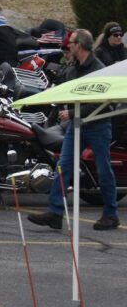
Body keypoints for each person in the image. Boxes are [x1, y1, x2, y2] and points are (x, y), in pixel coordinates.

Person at [29, 29, 120, 232]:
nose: (67, 46)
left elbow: (104, 104)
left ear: (79, 45)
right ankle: (55, 212)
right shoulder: (73, 67)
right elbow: (66, 90)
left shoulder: (98, 70)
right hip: (76, 126)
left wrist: (70, 113)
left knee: (104, 171)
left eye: (70, 43)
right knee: (63, 167)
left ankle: (111, 214)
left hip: (97, 126)